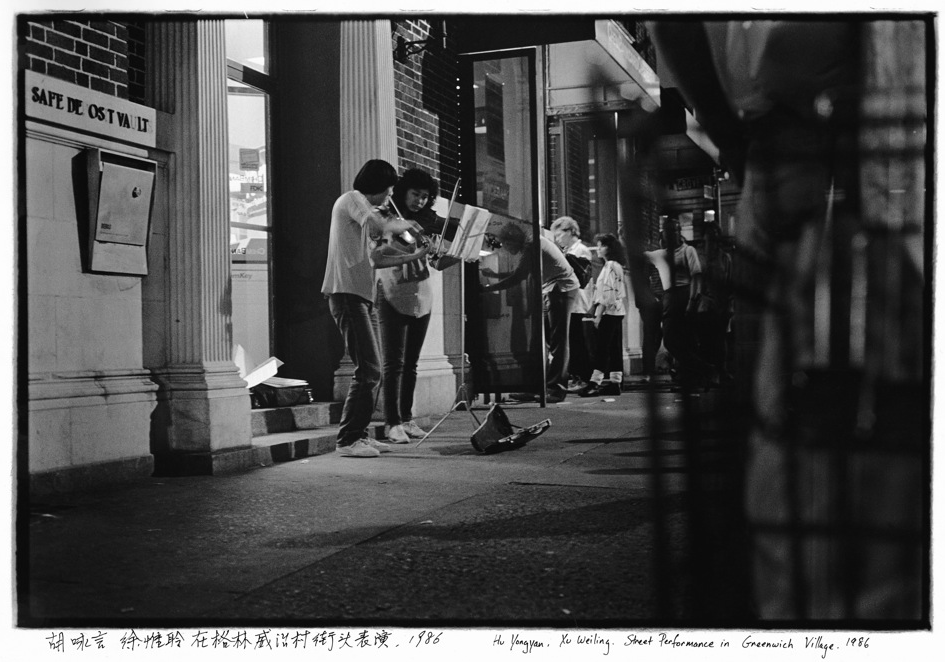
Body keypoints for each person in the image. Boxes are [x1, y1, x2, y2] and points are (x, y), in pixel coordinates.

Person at [320, 159, 429, 458]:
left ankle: (359, 434)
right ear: (378, 185)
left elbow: (377, 259)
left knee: (373, 370)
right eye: (390, 189)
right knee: (369, 369)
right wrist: (405, 224)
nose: (391, 195)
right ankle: (348, 439)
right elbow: (377, 223)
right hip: (347, 293)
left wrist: (415, 254)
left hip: (362, 296)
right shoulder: (353, 199)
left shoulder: (365, 214)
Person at [480, 222, 580, 403]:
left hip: (561, 289)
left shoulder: (532, 245)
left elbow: (518, 276)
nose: (505, 248)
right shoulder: (532, 243)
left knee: (558, 340)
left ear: (512, 240)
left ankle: (556, 389)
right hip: (551, 289)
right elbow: (522, 272)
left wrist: (487, 288)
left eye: (506, 244)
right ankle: (535, 387)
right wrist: (494, 277)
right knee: (540, 340)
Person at [377, 168, 439, 443]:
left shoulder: (423, 224)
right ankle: (391, 422)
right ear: (403, 192)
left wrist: (460, 254)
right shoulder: (388, 220)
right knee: (394, 363)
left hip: (421, 295)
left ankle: (406, 417)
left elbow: (435, 262)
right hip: (393, 292)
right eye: (415, 194)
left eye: (425, 197)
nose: (420, 201)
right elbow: (381, 254)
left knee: (411, 363)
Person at [645, 218, 710, 389]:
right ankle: (702, 370)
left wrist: (692, 301)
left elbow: (696, 276)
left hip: (684, 293)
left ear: (679, 231)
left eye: (674, 230)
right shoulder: (660, 254)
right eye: (667, 230)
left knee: (684, 339)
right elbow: (637, 256)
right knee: (671, 339)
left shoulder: (688, 250)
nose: (671, 234)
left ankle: (692, 376)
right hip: (669, 297)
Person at [579, 233, 627, 397]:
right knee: (613, 348)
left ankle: (594, 383)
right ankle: (615, 382)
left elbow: (607, 293)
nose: (598, 249)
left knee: (602, 348)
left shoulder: (611, 266)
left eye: (602, 246)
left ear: (610, 248)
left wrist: (598, 314)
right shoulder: (615, 265)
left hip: (609, 312)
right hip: (617, 311)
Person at [550, 216, 594, 391]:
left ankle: (582, 376)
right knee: (572, 339)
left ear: (569, 231)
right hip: (569, 299)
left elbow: (580, 273)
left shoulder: (581, 250)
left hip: (576, 300)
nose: (557, 238)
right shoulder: (570, 249)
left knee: (576, 340)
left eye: (559, 234)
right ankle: (575, 375)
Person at [696, 216, 734, 384]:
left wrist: (730, 305)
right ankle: (707, 373)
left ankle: (721, 371)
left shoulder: (725, 258)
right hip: (703, 305)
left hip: (720, 305)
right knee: (705, 341)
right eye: (709, 235)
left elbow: (730, 282)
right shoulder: (699, 256)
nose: (712, 238)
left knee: (720, 341)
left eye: (715, 235)